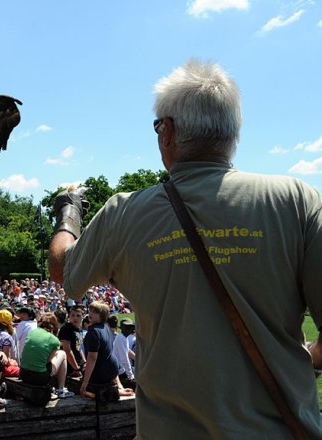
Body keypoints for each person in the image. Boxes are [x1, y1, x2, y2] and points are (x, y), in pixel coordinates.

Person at [48, 59, 322, 437]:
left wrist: (68, 210)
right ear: (232, 133)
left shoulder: (122, 213)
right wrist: (306, 357)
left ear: (168, 132)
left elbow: (63, 270)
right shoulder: (298, 200)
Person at [19, 313, 74, 399]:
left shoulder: (32, 332)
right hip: (39, 378)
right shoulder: (54, 340)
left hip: (23, 374)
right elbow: (48, 361)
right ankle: (61, 390)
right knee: (62, 353)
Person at [58, 305, 86, 377]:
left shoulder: (79, 329)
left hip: (78, 364)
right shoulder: (66, 329)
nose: (75, 318)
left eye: (78, 315)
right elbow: (67, 349)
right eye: (72, 315)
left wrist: (84, 361)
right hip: (69, 366)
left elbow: (78, 347)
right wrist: (76, 368)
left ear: (83, 316)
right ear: (69, 316)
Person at [113, 318, 136, 390]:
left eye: (130, 327)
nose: (129, 329)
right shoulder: (121, 338)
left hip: (120, 368)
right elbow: (124, 359)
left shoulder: (122, 337)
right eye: (127, 327)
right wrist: (130, 376)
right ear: (122, 328)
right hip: (120, 370)